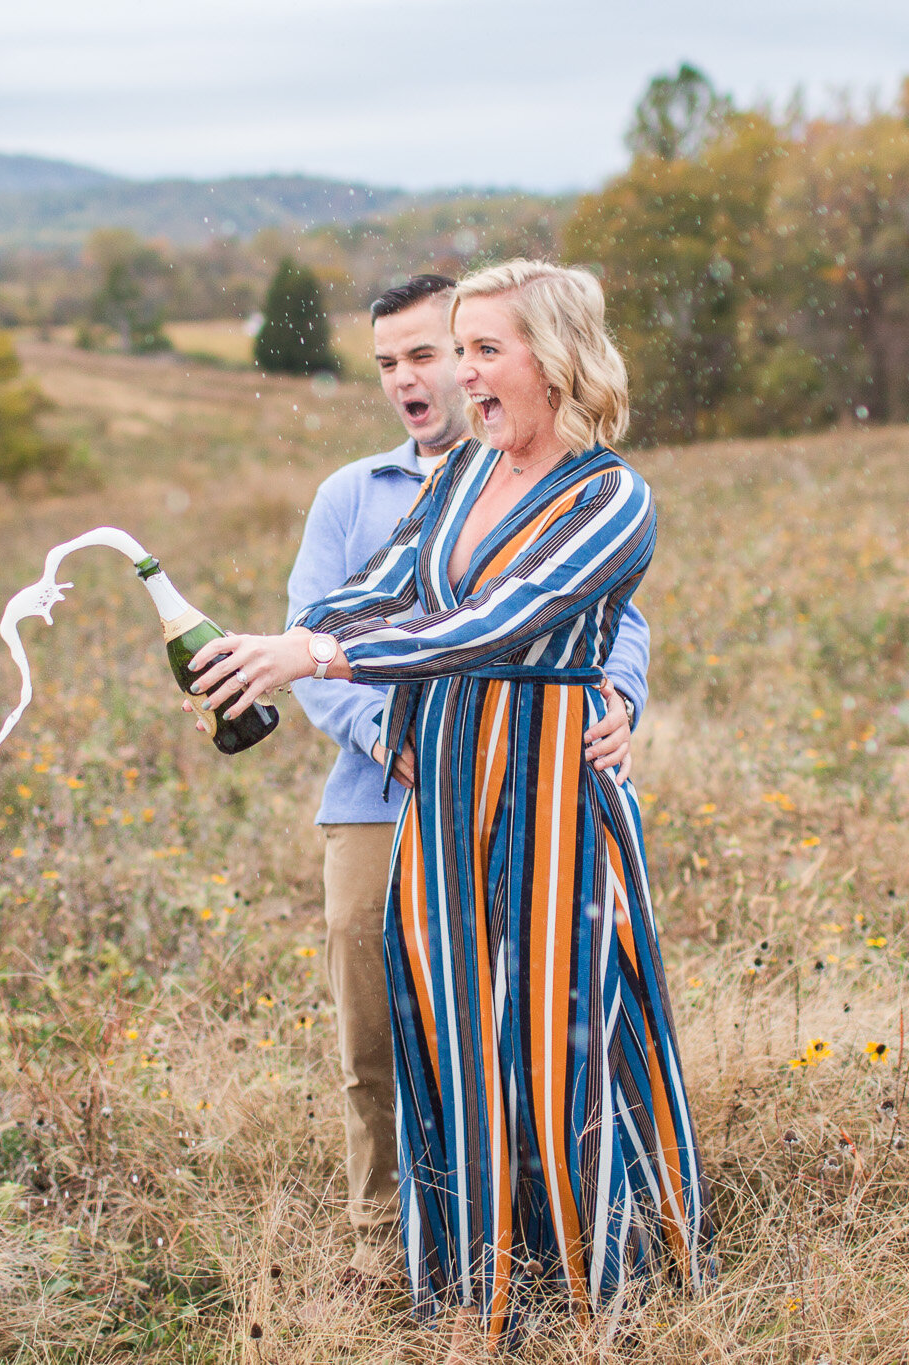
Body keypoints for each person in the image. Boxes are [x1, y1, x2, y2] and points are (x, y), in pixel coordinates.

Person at [190, 260, 707, 1343]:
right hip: (443, 791)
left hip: (548, 787)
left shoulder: (614, 497)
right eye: (455, 350)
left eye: (485, 350)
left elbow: (491, 626)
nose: (465, 375)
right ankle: (478, 1285)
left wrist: (322, 654)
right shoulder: (464, 476)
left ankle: (591, 1284)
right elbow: (396, 586)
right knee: (455, 1031)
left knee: (562, 1030)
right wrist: (281, 641)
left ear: (552, 357)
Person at [284, 273, 650, 1288]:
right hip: (384, 790)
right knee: (386, 1031)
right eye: (390, 363)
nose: (415, 377)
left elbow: (588, 620)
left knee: (537, 1023)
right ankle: (397, 1244)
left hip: (529, 791)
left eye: (437, 353)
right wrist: (382, 727)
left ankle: (551, 1247)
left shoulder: (589, 489)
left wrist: (616, 703)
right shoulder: (361, 494)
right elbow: (333, 615)